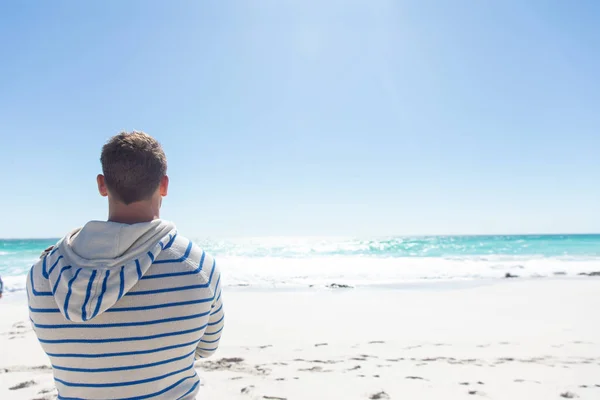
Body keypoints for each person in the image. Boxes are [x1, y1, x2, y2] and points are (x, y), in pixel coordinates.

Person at [26, 131, 224, 400]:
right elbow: (206, 347)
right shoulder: (199, 266)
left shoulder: (43, 274)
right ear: (164, 185)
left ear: (102, 185)